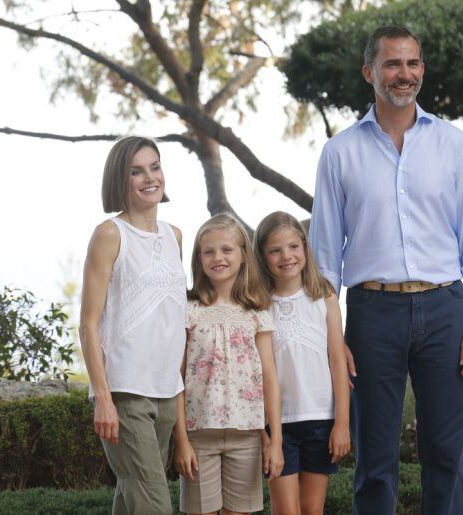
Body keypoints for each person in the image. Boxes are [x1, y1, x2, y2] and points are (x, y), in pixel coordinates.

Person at [308, 26, 463, 515]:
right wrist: (334, 339)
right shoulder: (339, 153)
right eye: (393, 64)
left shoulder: (452, 147)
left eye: (412, 63)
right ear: (370, 72)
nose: (404, 74)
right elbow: (324, 259)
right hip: (372, 312)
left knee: (446, 451)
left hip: (443, 307)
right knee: (374, 453)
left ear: (422, 71)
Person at [78, 136, 187, 515]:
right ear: (119, 180)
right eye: (136, 171)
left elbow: (172, 320)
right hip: (125, 392)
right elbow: (89, 324)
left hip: (165, 391)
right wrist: (103, 398)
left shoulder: (174, 237)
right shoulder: (110, 234)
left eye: (154, 167)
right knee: (154, 505)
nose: (149, 178)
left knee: (132, 499)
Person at [173, 213, 284, 515]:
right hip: (199, 436)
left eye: (226, 249)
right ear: (199, 258)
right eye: (208, 251)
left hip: (247, 436)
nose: (217, 257)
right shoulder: (189, 310)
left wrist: (275, 441)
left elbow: (270, 378)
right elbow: (177, 379)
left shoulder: (256, 311)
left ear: (243, 256)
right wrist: (181, 440)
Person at [253, 211, 351, 515]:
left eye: (293, 246)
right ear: (263, 256)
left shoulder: (325, 298)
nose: (286, 256)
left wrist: (342, 424)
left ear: (305, 248)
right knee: (286, 511)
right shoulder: (258, 305)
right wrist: (264, 433)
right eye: (275, 250)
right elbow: (257, 375)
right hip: (278, 423)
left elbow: (338, 363)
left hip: (321, 419)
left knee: (311, 508)